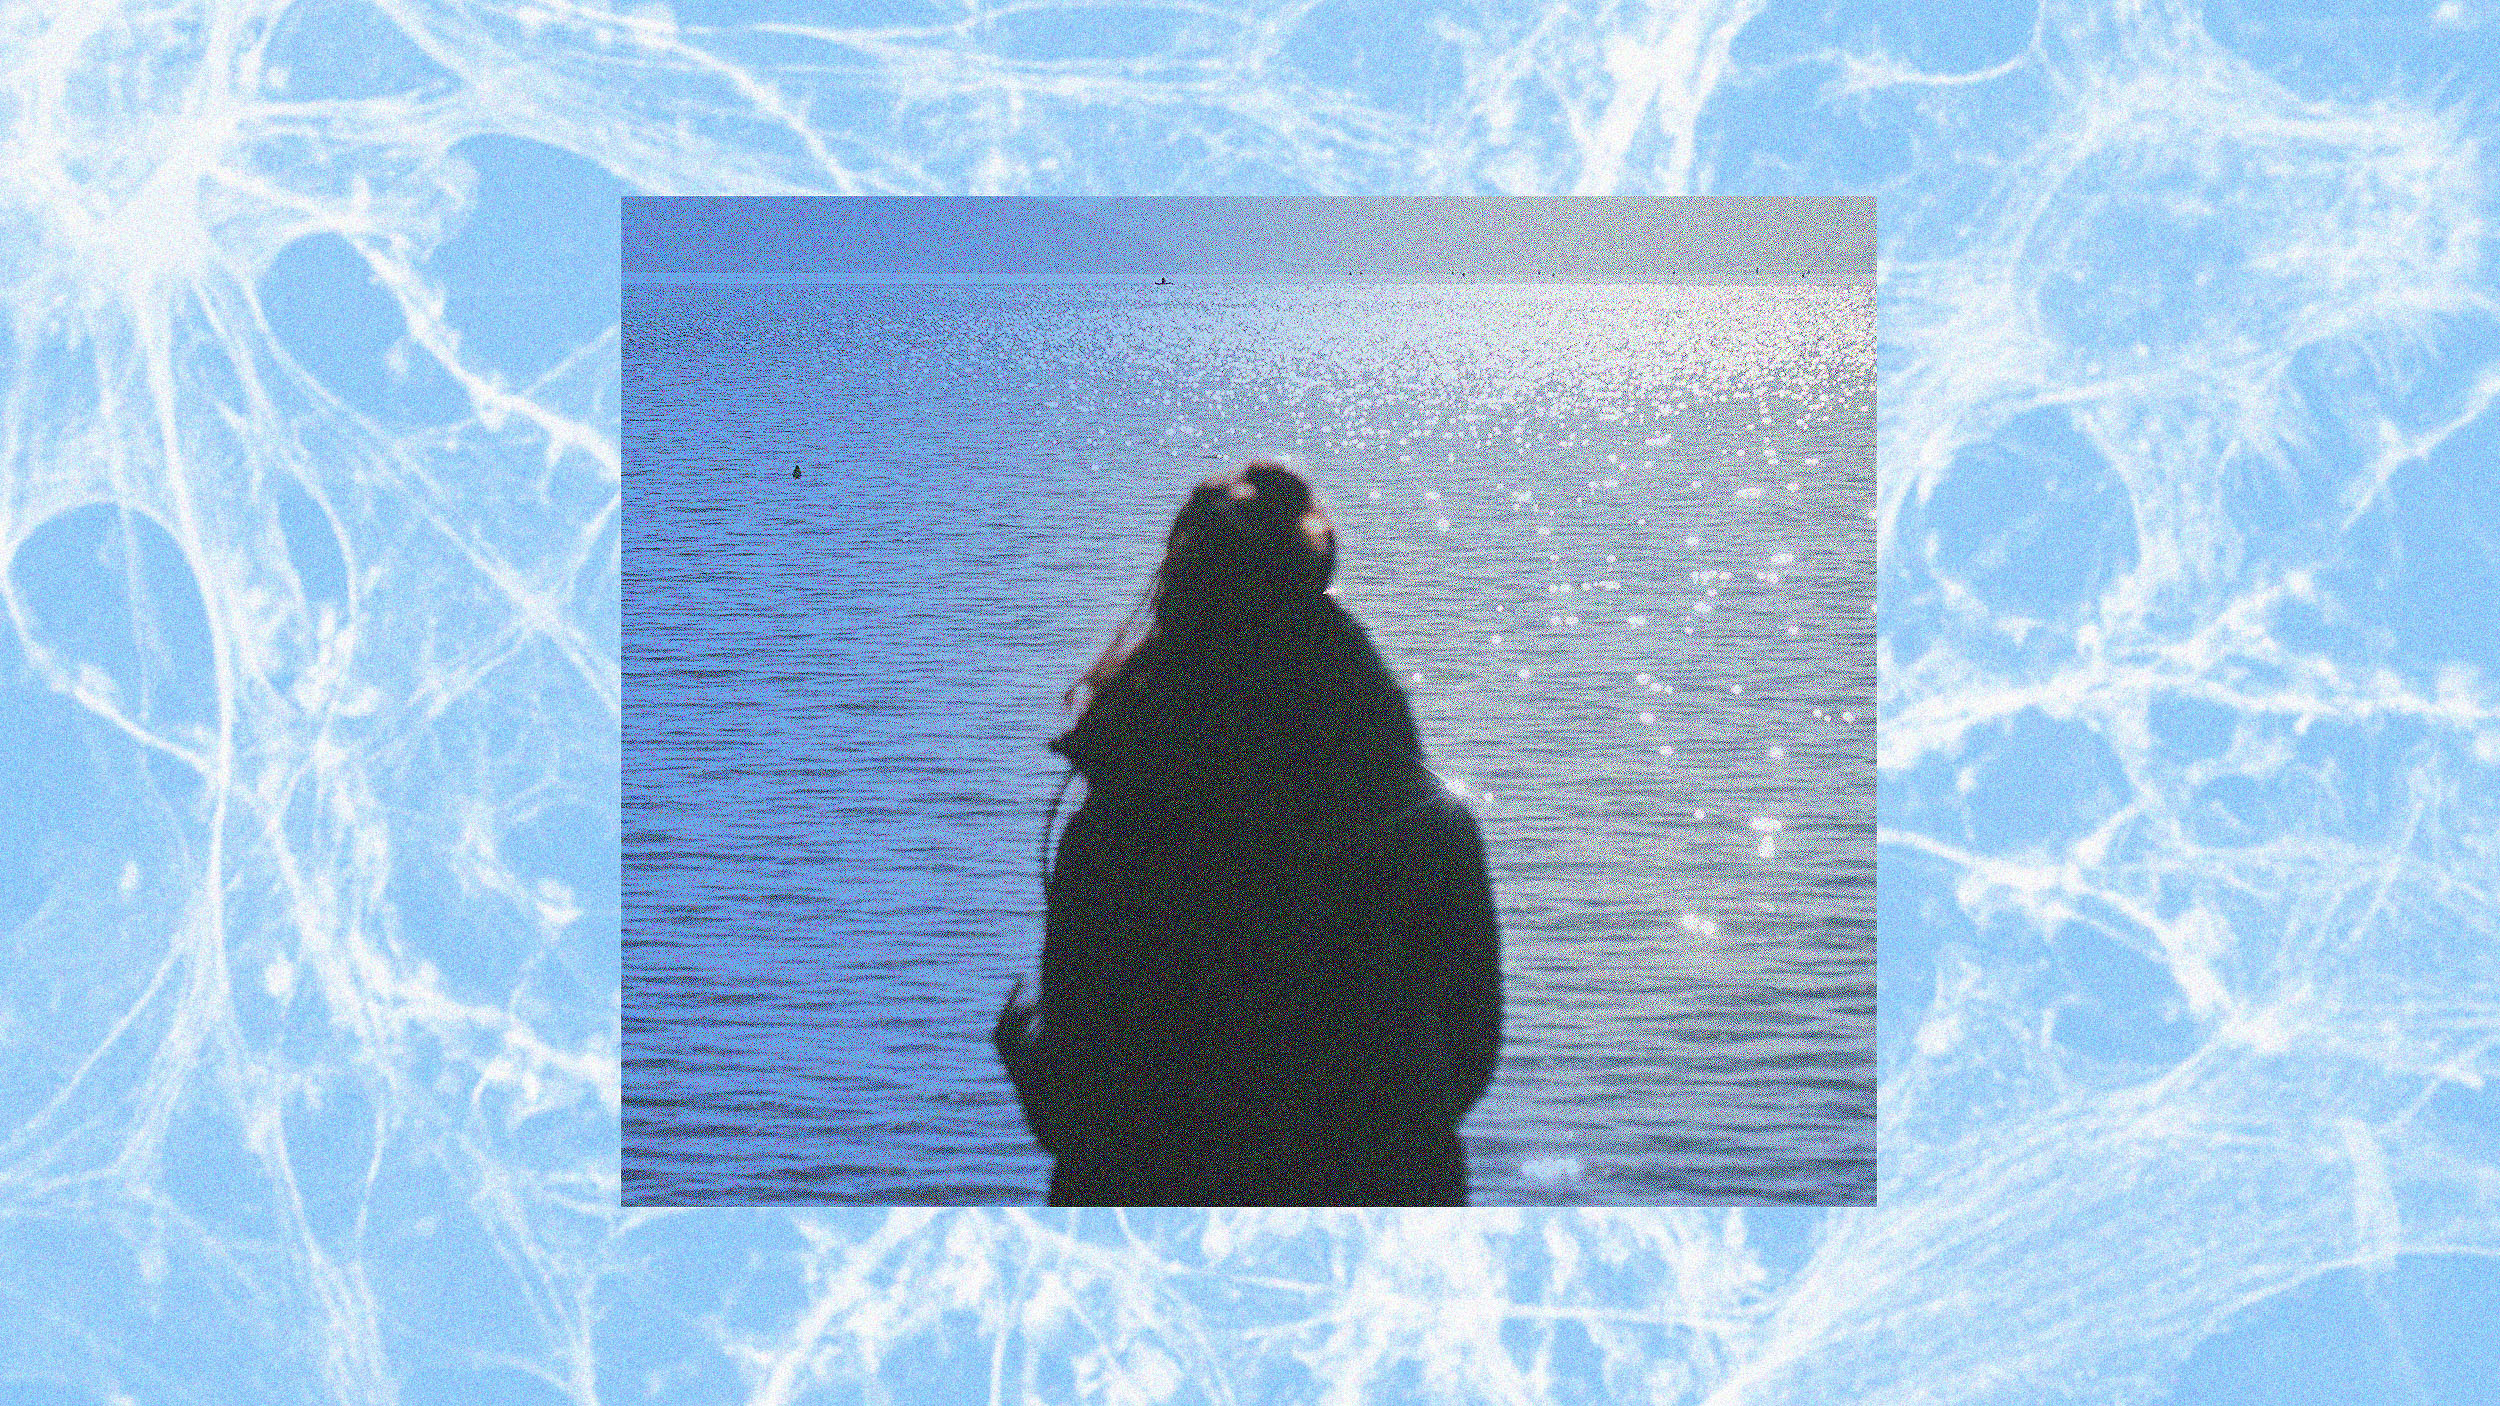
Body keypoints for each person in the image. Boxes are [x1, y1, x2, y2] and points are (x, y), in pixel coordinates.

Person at [993, 461, 1502, 1206]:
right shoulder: (1423, 824)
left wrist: (1023, 1046)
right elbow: (1463, 1065)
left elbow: (1081, 1109)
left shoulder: (1120, 829)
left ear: (1182, 603)